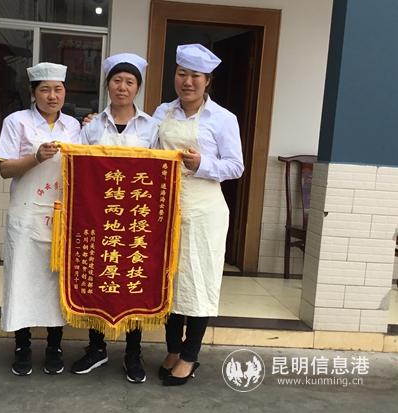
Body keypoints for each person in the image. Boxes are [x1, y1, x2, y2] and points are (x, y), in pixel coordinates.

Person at [152, 44, 244, 386]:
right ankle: (173, 349)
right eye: (181, 74)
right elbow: (143, 150)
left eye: (195, 76)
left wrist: (202, 164)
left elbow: (235, 166)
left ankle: (190, 356)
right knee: (170, 282)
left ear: (207, 81)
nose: (187, 82)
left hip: (205, 210)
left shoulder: (222, 118)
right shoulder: (162, 112)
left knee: (198, 282)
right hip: (167, 207)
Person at [71, 53, 159, 384]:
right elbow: (78, 168)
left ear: (138, 88)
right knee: (100, 278)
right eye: (117, 80)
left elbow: (161, 173)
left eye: (130, 82)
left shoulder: (152, 127)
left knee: (134, 280)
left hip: (137, 219)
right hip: (99, 216)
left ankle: (133, 353)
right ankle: (97, 348)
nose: (123, 87)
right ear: (108, 85)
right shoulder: (92, 126)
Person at [0, 62, 81, 376]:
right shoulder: (16, 121)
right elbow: (4, 169)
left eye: (58, 89)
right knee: (22, 278)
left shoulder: (74, 126)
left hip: (60, 214)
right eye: (45, 90)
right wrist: (36, 157)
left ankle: (54, 346)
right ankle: (22, 345)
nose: (52, 96)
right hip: (27, 213)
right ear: (33, 93)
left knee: (55, 281)